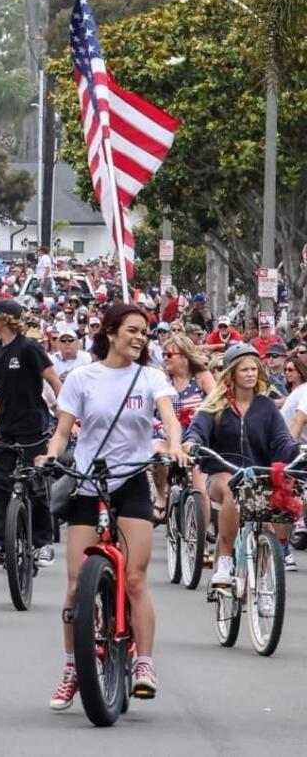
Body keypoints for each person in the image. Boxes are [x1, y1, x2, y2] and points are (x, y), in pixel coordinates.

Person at [37, 303, 188, 709]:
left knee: (135, 578)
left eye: (145, 332)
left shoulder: (152, 377)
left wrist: (173, 447)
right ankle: (73, 667)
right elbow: (63, 431)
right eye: (132, 330)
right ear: (110, 332)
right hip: (88, 484)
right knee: (74, 585)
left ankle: (144, 663)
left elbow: (169, 419)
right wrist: (51, 455)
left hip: (132, 482)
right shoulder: (82, 378)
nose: (139, 338)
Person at [185, 343, 303, 583]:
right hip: (221, 474)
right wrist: (192, 443)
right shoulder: (216, 405)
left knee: (267, 528)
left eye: (254, 369)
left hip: (259, 475)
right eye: (244, 370)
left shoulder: (267, 407)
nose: (250, 374)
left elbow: (281, 439)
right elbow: (198, 430)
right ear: (231, 374)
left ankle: (262, 586)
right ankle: (225, 562)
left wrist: (294, 452)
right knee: (233, 489)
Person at [0, 298, 63, 566]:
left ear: (4, 318)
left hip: (32, 426)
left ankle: (43, 543)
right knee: (0, 486)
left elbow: (53, 380)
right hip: (2, 426)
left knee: (36, 484)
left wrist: (65, 411)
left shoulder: (29, 348)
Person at [151, 333, 215, 523]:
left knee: (200, 489)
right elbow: (150, 411)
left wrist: (202, 413)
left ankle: (201, 544)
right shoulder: (162, 380)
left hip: (196, 434)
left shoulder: (202, 376)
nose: (164, 359)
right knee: (157, 454)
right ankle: (162, 495)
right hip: (168, 433)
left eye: (169, 355)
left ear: (184, 356)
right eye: (163, 355)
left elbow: (216, 401)